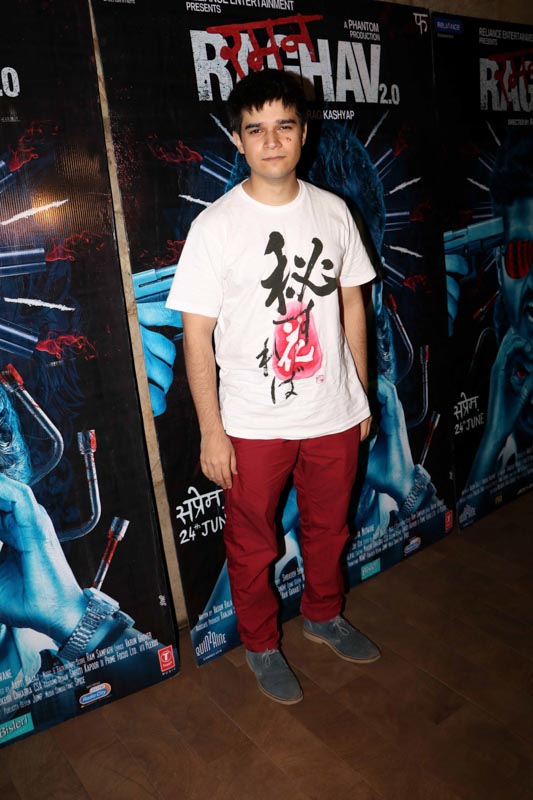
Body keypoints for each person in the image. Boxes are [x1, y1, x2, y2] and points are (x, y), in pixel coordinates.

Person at [166, 69, 380, 705]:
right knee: (253, 543)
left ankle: (323, 614)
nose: (271, 141)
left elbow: (352, 305)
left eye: (284, 126)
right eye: (255, 129)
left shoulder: (334, 212)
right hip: (253, 424)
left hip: (333, 410)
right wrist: (211, 432)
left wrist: (361, 393)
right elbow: (196, 337)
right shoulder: (215, 227)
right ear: (238, 140)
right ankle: (260, 644)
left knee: (329, 528)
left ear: (303, 133)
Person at [446, 131, 533, 516]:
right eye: (520, 256)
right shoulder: (483, 366)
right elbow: (467, 517)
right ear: (499, 268)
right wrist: (493, 438)